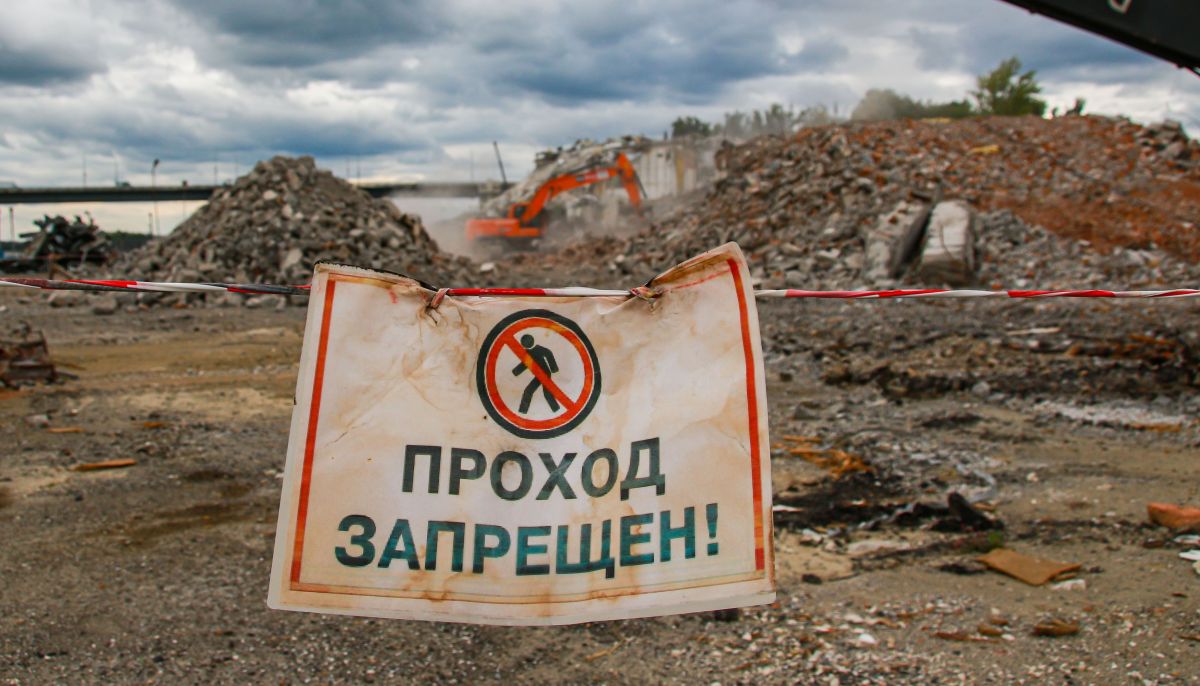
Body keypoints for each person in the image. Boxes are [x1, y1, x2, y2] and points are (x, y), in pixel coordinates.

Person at [512, 334, 559, 414]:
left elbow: (548, 353)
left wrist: (553, 368)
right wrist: (515, 372)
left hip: (545, 374)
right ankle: (523, 411)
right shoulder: (528, 353)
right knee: (528, 391)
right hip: (538, 375)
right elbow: (525, 364)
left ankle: (556, 409)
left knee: (546, 393)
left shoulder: (538, 349)